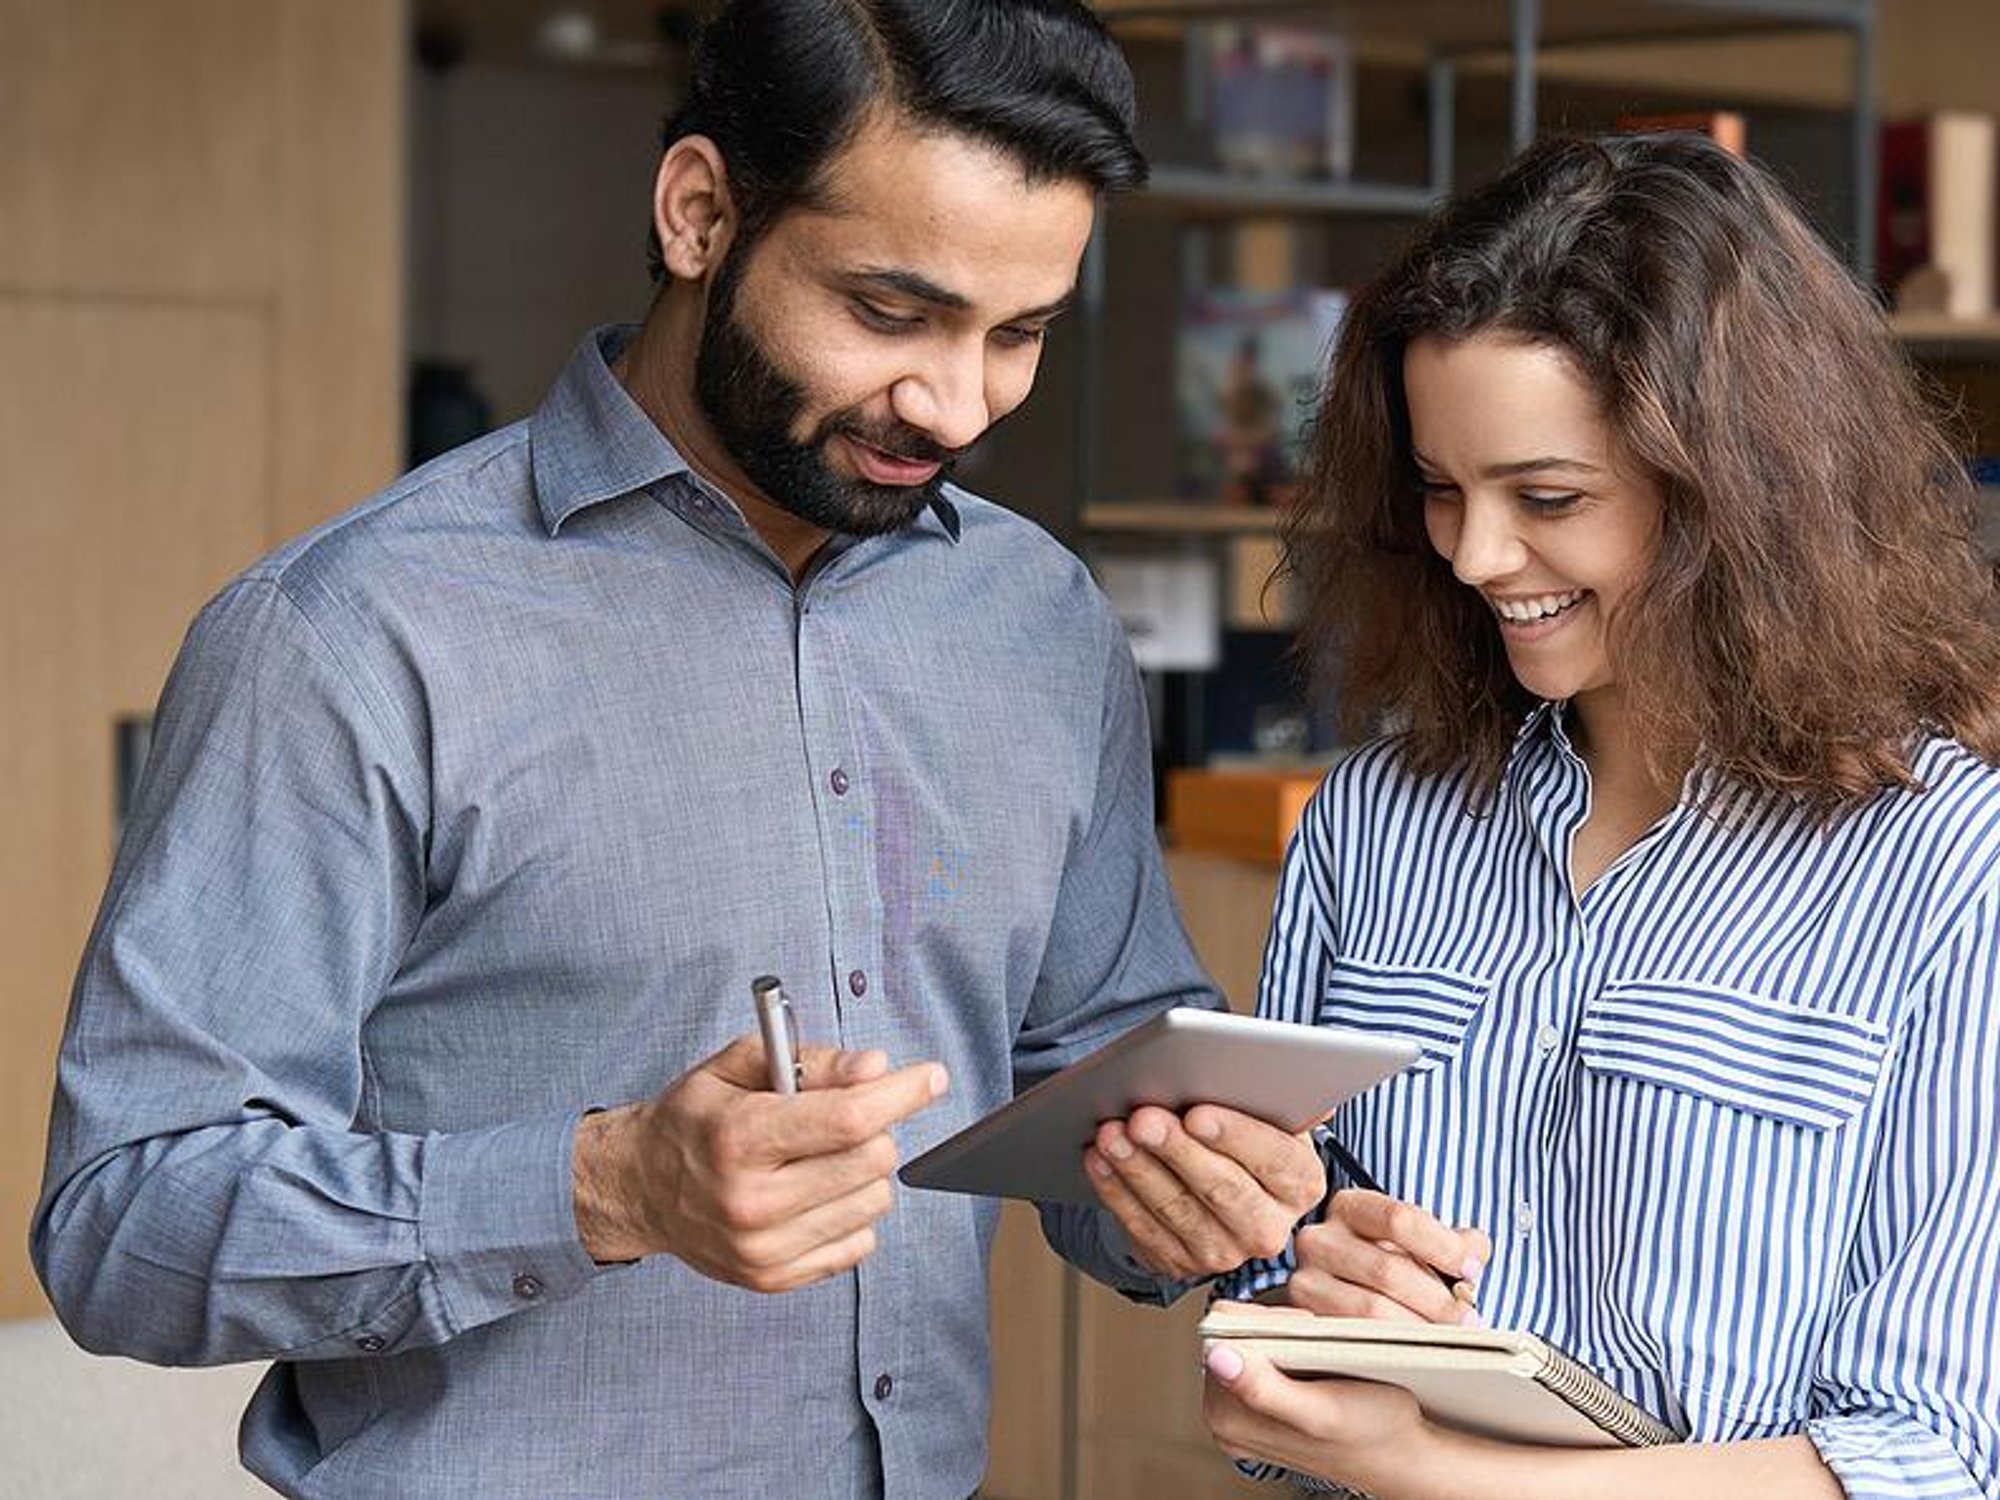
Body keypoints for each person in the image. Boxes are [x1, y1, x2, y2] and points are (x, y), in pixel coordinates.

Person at [29, 3, 1326, 1496]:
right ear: (699, 211)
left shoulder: (1038, 618)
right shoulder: (350, 639)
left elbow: (1096, 1056)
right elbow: (124, 1225)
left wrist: (1198, 1180)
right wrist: (604, 1186)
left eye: (1017, 333)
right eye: (891, 313)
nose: (956, 404)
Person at [1196, 133, 2000, 1500]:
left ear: (1738, 495)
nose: (1475, 554)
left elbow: (1932, 1454)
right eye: (1441, 490)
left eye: (1547, 497)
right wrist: (1310, 1281)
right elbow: (1265, 1333)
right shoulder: (1371, 826)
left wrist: (1432, 1467)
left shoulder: (1948, 869)